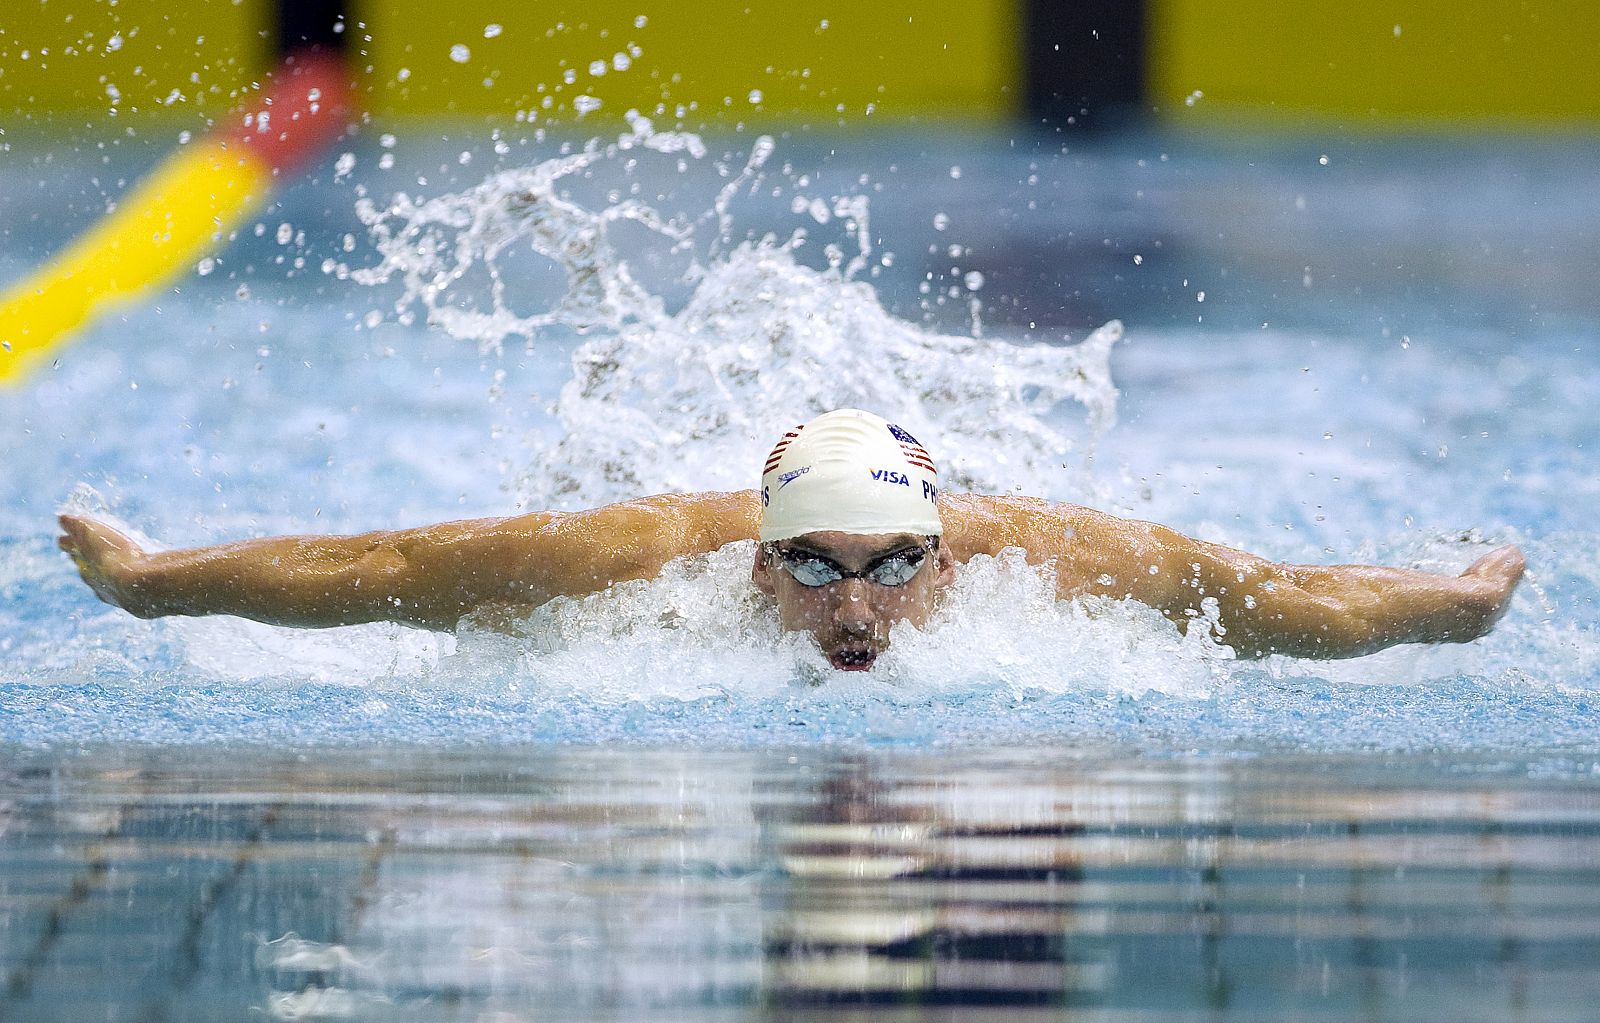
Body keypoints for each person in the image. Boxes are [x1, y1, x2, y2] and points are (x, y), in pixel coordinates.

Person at [58, 408, 1524, 671]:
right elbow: (379, 572)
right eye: (813, 567)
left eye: (894, 567)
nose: (855, 610)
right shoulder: (639, 560)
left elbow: (1275, 595)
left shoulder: (1056, 564)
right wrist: (150, 588)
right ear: (758, 562)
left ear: (946, 556)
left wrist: (1444, 606)